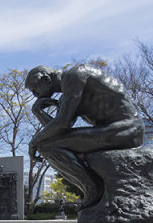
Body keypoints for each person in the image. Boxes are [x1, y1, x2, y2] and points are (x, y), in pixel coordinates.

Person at [25, 65, 145, 208]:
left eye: (34, 88)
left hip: (127, 127)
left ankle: (93, 187)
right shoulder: (66, 96)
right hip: (109, 131)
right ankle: (91, 187)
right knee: (46, 146)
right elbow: (59, 130)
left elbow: (61, 123)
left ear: (46, 79)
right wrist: (37, 111)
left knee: (44, 145)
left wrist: (33, 142)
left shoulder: (76, 75)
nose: (34, 94)